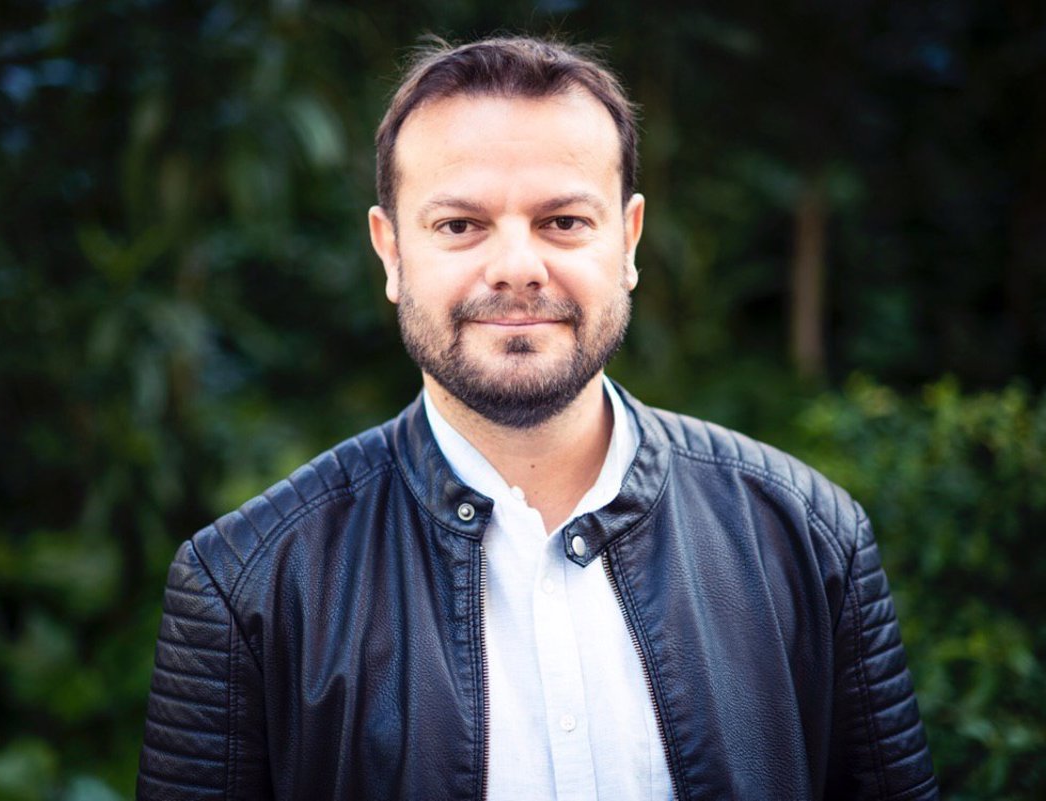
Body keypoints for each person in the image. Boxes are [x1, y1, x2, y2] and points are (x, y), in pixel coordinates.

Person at [136, 36, 937, 801]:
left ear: (628, 241)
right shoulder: (247, 585)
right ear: (391, 252)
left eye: (563, 221)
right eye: (460, 225)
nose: (517, 267)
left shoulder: (810, 537)